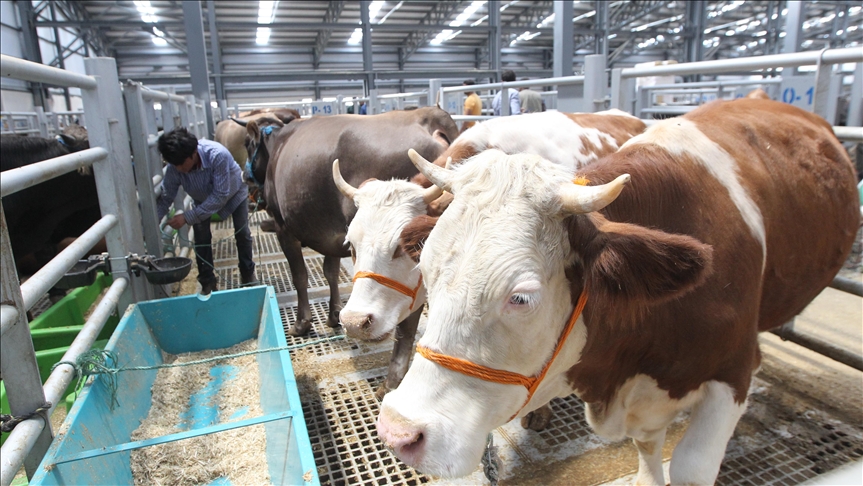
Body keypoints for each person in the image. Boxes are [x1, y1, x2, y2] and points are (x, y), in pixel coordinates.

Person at [156, 127, 258, 295]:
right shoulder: (175, 167)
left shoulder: (217, 155)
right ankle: (207, 282)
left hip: (234, 194)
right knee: (201, 239)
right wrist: (152, 225)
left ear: (194, 152)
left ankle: (247, 274)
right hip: (202, 199)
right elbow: (166, 197)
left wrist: (187, 217)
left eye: (182, 163)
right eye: (175, 165)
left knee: (242, 232)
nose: (179, 169)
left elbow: (220, 195)